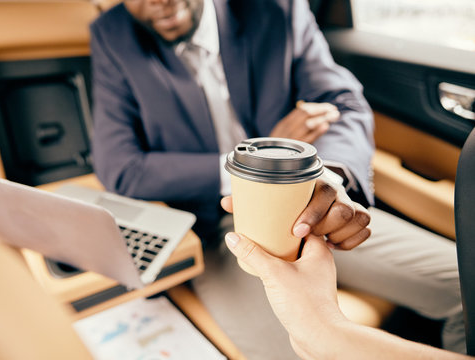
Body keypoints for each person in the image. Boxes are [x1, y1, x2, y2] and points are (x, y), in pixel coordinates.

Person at [90, 0, 465, 357]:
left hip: (305, 202)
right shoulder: (112, 34)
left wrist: (326, 174)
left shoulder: (275, 8)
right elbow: (121, 168)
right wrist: (261, 167)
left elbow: (343, 104)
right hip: (217, 230)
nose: (158, 1)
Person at [221, 196, 472, 360]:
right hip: (209, 220)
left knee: (468, 286)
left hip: (303, 203)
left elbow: (349, 114)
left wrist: (325, 333)